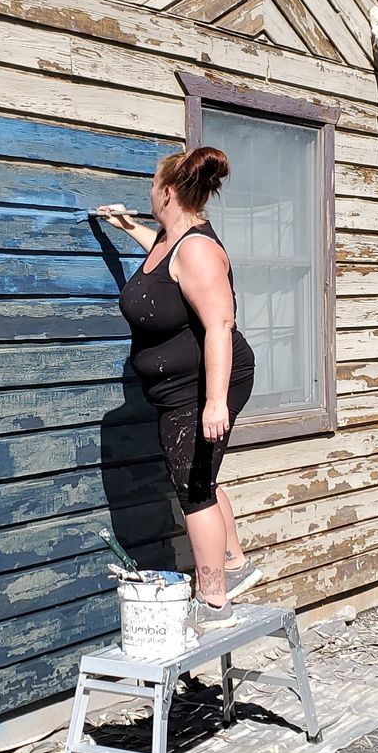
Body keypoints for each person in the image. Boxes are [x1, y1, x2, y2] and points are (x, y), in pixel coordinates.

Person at [94, 146, 258, 631]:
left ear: (167, 192)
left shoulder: (200, 251)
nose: (147, 191)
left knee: (194, 493)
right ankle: (234, 564)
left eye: (151, 184)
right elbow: (166, 264)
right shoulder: (173, 239)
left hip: (201, 386)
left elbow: (220, 327)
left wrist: (213, 402)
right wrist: (128, 228)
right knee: (200, 475)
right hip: (180, 389)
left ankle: (213, 603)